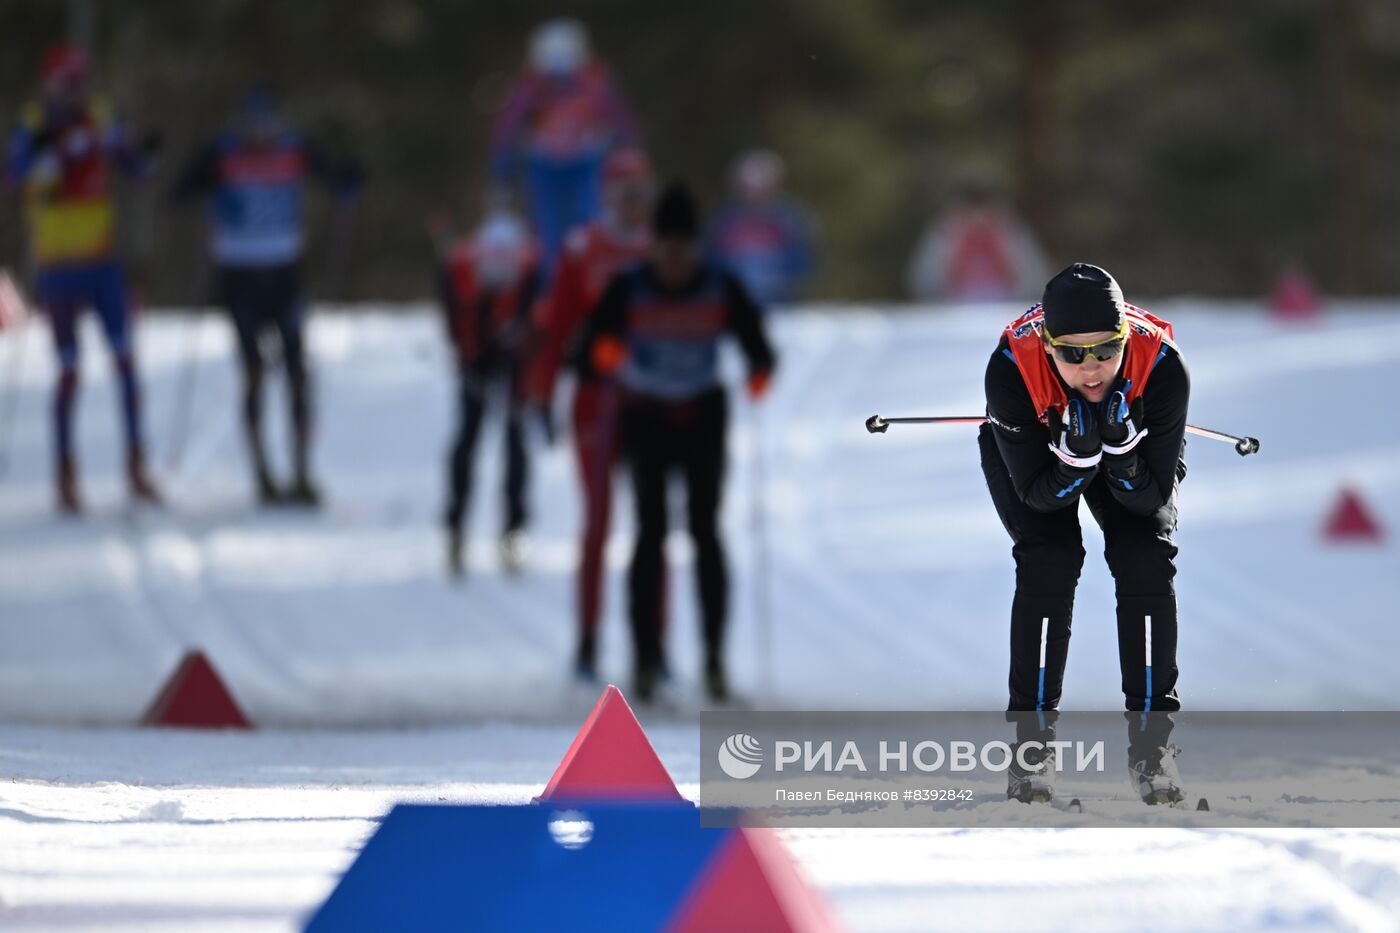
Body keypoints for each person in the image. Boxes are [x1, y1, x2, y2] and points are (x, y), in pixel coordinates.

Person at [979, 263, 1189, 805]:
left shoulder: (1162, 367)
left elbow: (1150, 498)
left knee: (1145, 554)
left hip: (1134, 447)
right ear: (1048, 347)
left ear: (1126, 339)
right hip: (1039, 452)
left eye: (1106, 350)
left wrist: (1119, 452)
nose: (1091, 368)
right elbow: (1034, 495)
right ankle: (1033, 748)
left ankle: (1152, 745)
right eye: (1073, 353)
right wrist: (1074, 460)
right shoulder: (1011, 370)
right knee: (1050, 556)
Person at [577, 183, 776, 704]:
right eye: (666, 250)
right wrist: (601, 353)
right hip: (644, 417)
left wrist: (759, 371)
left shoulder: (720, 284)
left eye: (683, 250)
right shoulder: (629, 286)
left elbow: (758, 345)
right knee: (649, 533)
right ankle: (644, 660)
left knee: (706, 532)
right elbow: (589, 345)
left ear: (695, 247)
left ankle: (713, 659)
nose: (674, 262)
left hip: (702, 415)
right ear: (653, 247)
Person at [172, 90, 361, 505]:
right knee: (254, 371)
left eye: (266, 125)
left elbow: (332, 176)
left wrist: (347, 180)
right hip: (239, 274)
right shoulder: (222, 153)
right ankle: (262, 473)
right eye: (251, 126)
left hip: (284, 273)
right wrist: (199, 185)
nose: (259, 136)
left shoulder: (295, 147)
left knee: (297, 372)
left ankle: (301, 470)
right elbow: (181, 190)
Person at [6, 42, 162, 512]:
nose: (75, 92)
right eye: (66, 82)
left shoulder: (99, 117)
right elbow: (13, 175)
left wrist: (140, 153)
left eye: (81, 82)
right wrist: (42, 158)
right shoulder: (33, 126)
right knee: (69, 371)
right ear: (49, 83)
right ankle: (65, 474)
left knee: (125, 364)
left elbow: (136, 167)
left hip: (102, 265)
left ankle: (136, 465)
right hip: (58, 269)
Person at [524, 148, 660, 680]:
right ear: (606, 195)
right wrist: (542, 392)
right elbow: (556, 327)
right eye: (623, 192)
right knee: (598, 521)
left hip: (654, 403)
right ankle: (587, 642)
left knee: (654, 525)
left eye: (639, 192)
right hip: (597, 400)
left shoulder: (661, 247)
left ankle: (653, 648)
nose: (632, 202)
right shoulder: (584, 248)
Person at [439, 207, 543, 577]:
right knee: (468, 435)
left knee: (516, 437)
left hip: (515, 353)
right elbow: (454, 319)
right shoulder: (459, 269)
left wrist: (526, 344)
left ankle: (514, 533)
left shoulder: (530, 267)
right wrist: (463, 354)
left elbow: (540, 319)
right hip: (476, 351)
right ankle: (455, 530)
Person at [489, 18, 639, 267]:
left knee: (589, 226)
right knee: (548, 231)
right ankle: (552, 285)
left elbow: (620, 121)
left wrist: (627, 157)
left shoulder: (595, 83)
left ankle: (589, 282)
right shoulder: (532, 86)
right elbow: (508, 125)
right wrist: (502, 165)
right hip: (544, 168)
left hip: (586, 165)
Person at [707, 149, 815, 308]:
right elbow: (711, 259)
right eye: (748, 187)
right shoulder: (724, 221)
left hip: (781, 304)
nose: (753, 193)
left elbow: (804, 261)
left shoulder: (790, 219)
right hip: (733, 304)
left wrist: (776, 280)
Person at [907, 183, 1048, 303]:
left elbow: (1035, 282)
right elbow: (924, 285)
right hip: (953, 312)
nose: (978, 220)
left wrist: (998, 247)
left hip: (1006, 310)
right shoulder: (944, 232)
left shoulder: (1011, 230)